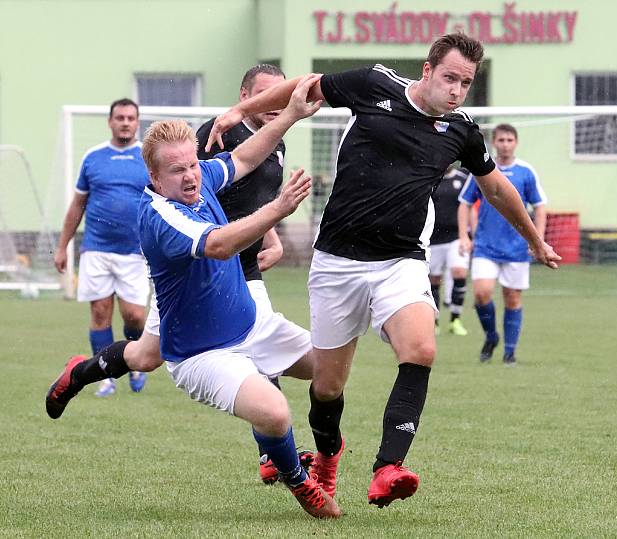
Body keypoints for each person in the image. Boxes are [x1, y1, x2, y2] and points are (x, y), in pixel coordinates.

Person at [206, 32, 561, 509]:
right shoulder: (375, 84)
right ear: (428, 70)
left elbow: (495, 189)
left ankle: (389, 467)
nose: (456, 90)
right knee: (328, 385)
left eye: (466, 83)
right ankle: (328, 460)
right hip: (337, 263)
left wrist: (535, 239)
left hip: (401, 262)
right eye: (450, 78)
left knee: (421, 349)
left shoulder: (461, 130)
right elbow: (307, 86)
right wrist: (234, 112)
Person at [46, 76, 341, 519]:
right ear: (153, 176)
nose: (190, 177)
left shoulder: (199, 180)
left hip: (245, 324)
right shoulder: (161, 214)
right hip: (202, 352)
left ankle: (80, 371)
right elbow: (220, 244)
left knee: (330, 371)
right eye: (176, 170)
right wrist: (276, 210)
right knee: (276, 413)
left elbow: (242, 156)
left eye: (192, 166)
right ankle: (299, 481)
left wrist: (293, 115)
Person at [53, 98, 150, 397]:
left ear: (137, 122)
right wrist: (62, 246)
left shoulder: (148, 156)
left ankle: (134, 359)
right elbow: (77, 204)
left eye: (130, 118)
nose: (125, 122)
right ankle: (105, 377)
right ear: (110, 121)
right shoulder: (93, 158)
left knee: (134, 315)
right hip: (96, 248)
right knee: (100, 312)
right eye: (119, 117)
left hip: (135, 250)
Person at [458, 123, 548, 366]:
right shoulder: (482, 169)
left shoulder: (526, 172)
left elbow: (539, 207)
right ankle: (491, 336)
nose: (505, 144)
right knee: (481, 293)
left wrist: (536, 240)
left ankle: (509, 353)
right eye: (501, 140)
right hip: (486, 246)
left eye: (510, 140)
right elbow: (464, 203)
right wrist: (464, 237)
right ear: (493, 143)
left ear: (516, 143)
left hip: (516, 248)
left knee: (512, 298)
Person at [429, 165, 471, 336]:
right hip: (433, 239)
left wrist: (469, 236)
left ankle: (455, 319)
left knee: (459, 272)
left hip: (456, 237)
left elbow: (468, 207)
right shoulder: (430, 179)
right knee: (433, 280)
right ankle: (434, 321)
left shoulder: (463, 179)